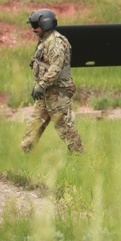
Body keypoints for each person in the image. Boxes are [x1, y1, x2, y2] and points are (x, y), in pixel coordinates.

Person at [20, 9, 84, 154]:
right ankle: (27, 155)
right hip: (47, 91)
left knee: (65, 128)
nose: (33, 29)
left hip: (57, 92)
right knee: (33, 126)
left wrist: (41, 84)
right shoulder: (45, 41)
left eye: (35, 25)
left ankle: (79, 156)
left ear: (45, 24)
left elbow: (56, 67)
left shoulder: (55, 42)